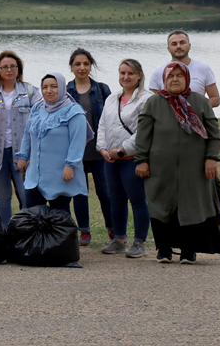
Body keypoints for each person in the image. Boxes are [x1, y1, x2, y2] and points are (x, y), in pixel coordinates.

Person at [147, 30, 220, 244]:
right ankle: (169, 239)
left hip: (198, 132)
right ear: (168, 48)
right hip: (168, 135)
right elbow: (153, 105)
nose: (178, 46)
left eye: (182, 42)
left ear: (189, 45)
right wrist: (173, 110)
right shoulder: (160, 72)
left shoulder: (203, 68)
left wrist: (190, 109)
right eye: (174, 43)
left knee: (210, 180)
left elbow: (215, 98)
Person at [136, 61, 220, 263]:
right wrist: (141, 160)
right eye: (170, 76)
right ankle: (164, 250)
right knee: (160, 207)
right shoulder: (154, 103)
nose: (175, 79)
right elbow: (143, 135)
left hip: (194, 169)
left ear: (187, 78)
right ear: (164, 80)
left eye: (179, 76)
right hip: (159, 168)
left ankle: (188, 250)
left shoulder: (200, 102)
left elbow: (214, 134)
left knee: (192, 208)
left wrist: (211, 158)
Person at [0, 50, 42, 228]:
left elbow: (39, 122)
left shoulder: (31, 92)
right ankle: (4, 235)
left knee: (26, 194)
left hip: (23, 154)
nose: (9, 70)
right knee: (3, 197)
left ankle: (27, 233)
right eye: (4, 67)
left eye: (13, 66)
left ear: (18, 68)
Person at [96, 59, 151, 258]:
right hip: (110, 160)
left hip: (131, 158)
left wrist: (121, 150)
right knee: (116, 200)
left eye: (130, 73)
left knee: (138, 200)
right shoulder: (112, 98)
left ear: (139, 75)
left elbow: (143, 132)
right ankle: (119, 239)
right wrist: (102, 148)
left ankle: (140, 242)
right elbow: (103, 125)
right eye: (122, 73)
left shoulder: (146, 99)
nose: (126, 77)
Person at [17, 74, 91, 217]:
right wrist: (22, 155)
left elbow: (78, 142)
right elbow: (27, 133)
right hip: (35, 175)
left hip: (60, 174)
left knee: (59, 216)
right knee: (33, 215)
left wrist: (70, 165)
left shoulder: (74, 112)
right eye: (44, 87)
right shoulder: (37, 108)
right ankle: (36, 240)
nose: (48, 91)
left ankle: (65, 240)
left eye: (53, 86)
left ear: (62, 88)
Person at [68, 48, 114, 246]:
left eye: (86, 64)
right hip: (76, 152)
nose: (82, 67)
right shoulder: (66, 91)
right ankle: (84, 232)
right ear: (71, 67)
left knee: (105, 192)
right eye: (77, 64)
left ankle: (113, 230)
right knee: (79, 193)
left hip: (99, 151)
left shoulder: (102, 90)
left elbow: (112, 119)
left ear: (91, 66)